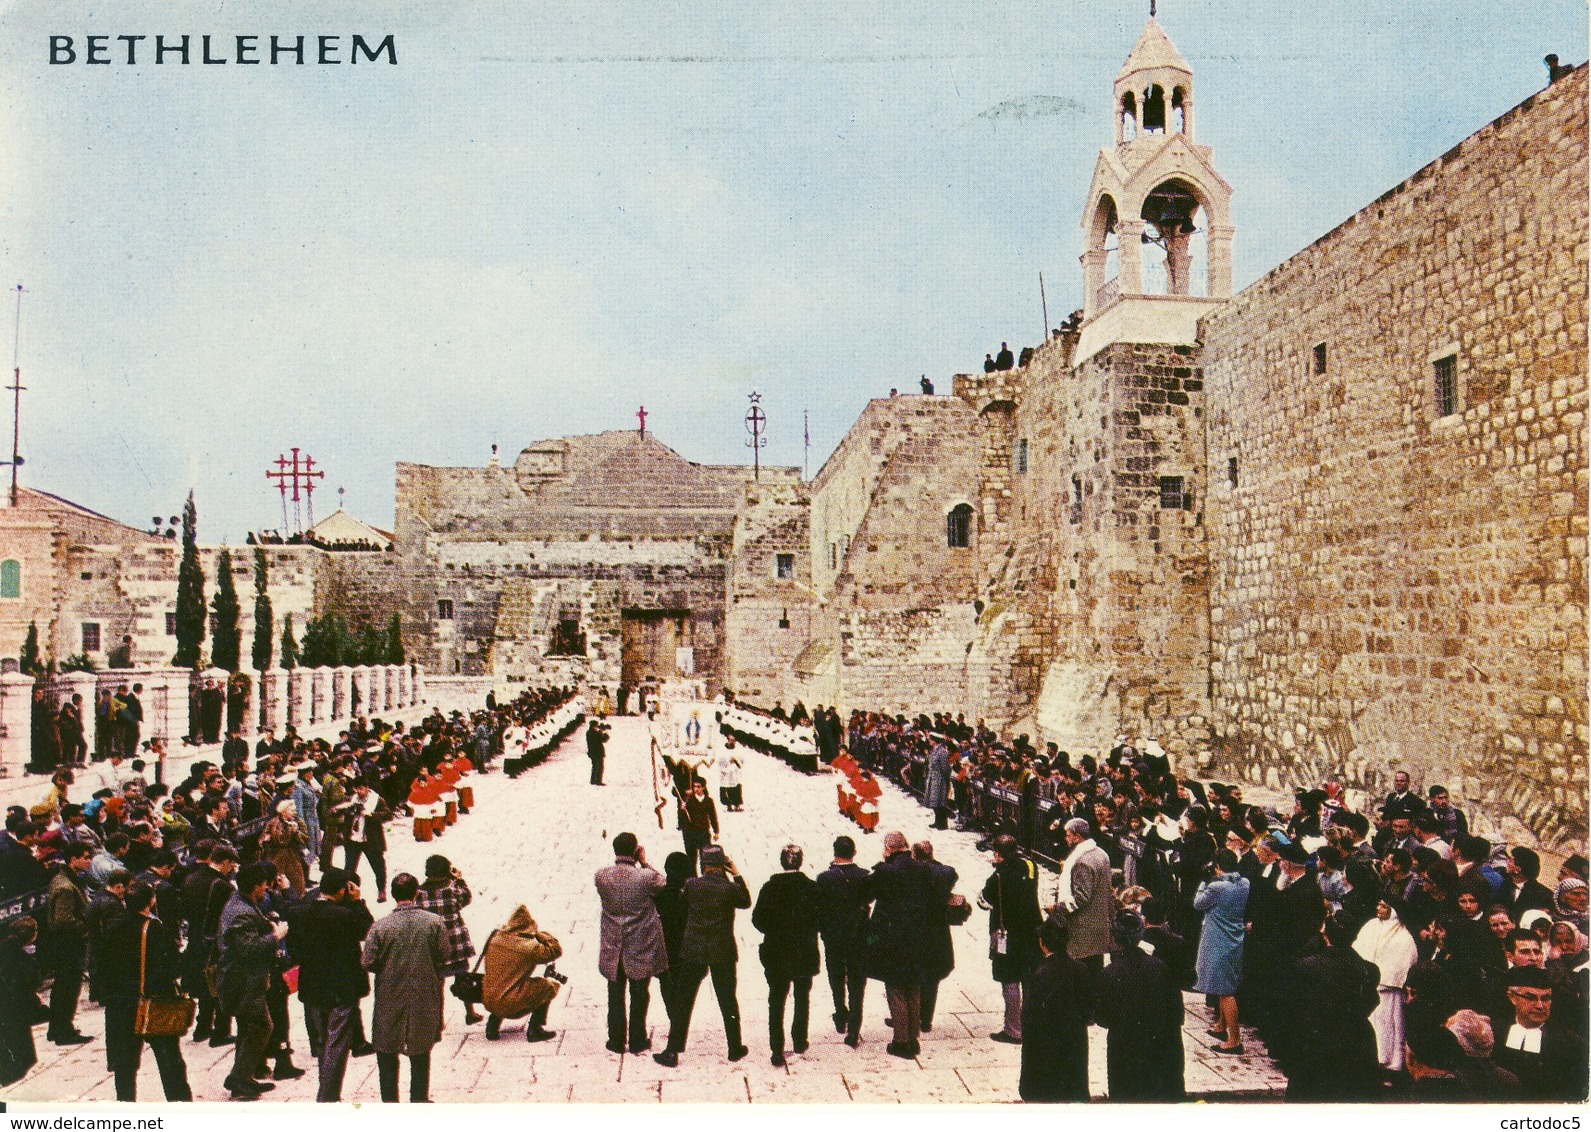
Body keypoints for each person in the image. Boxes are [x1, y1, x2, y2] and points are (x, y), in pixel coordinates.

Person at [654, 845, 751, 1067]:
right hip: (722, 950)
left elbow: (682, 906)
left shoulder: (692, 886)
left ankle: (672, 1051)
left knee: (683, 1001)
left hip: (694, 949)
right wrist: (736, 873)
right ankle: (735, 1047)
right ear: (722, 863)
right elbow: (746, 901)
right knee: (727, 1000)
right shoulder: (729, 888)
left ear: (702, 864)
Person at [286, 867, 375, 1102]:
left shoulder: (299, 913)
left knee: (324, 1040)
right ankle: (328, 1095)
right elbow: (368, 930)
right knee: (337, 1043)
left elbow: (294, 949)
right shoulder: (344, 915)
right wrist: (358, 902)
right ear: (341, 891)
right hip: (341, 987)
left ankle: (326, 1089)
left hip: (313, 984)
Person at [362, 872, 448, 1104]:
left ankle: (390, 1102)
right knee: (421, 1050)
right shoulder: (434, 922)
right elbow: (444, 954)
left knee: (387, 1050)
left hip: (390, 994)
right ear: (416, 893)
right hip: (424, 992)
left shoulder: (380, 927)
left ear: (392, 895)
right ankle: (419, 1100)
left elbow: (368, 961)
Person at [102, 882, 192, 1101]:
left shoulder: (113, 926)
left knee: (124, 1063)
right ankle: (180, 1104)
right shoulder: (154, 928)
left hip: (119, 1003)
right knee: (169, 1058)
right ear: (151, 901)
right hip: (153, 1000)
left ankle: (126, 1105)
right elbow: (172, 966)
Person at [1276, 912, 1381, 1101]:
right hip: (1355, 1044)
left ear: (1325, 934)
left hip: (1316, 1045)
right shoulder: (1368, 970)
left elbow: (1291, 1011)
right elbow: (1371, 1001)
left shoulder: (1306, 967)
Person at [1095, 908, 1185, 1101]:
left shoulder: (1109, 973)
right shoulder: (1160, 967)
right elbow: (1177, 1013)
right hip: (1162, 1051)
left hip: (1126, 1054)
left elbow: (1102, 1018)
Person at [218, 862, 289, 1100]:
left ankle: (242, 1078)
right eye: (264, 886)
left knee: (249, 1027)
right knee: (261, 1026)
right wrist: (275, 936)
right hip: (243, 981)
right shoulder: (241, 912)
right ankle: (239, 1077)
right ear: (255, 886)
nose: (266, 891)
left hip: (247, 979)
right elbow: (248, 949)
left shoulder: (244, 903)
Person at [864, 831, 936, 1058]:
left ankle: (901, 1041)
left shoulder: (885, 872)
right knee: (914, 987)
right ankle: (913, 1037)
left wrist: (870, 939)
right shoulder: (924, 869)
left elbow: (866, 894)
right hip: (919, 938)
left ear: (889, 849)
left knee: (895, 988)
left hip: (892, 939)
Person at [596, 831, 668, 1054]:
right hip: (640, 944)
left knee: (615, 994)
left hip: (613, 946)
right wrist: (644, 862)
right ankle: (638, 1039)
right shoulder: (645, 877)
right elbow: (664, 884)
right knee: (640, 993)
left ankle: (616, 1040)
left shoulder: (601, 876)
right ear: (635, 851)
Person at [752, 843, 821, 1066]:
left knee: (777, 1000)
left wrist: (774, 930)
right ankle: (799, 1040)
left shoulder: (770, 888)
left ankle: (777, 1048)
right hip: (804, 950)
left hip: (777, 950)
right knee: (802, 998)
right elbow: (820, 918)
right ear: (801, 862)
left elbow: (757, 920)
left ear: (782, 862)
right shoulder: (812, 888)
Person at [1489, 965, 1589, 1101]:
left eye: (1546, 998)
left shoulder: (1570, 1043)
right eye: (1530, 998)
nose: (1540, 1005)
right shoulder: (1494, 1032)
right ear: (1512, 997)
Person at [1019, 918, 1091, 1102]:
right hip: (1074, 1045)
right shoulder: (1081, 969)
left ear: (1042, 943)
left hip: (1047, 1050)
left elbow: (1029, 1017)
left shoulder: (1040, 973)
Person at [982, 833, 1041, 1044]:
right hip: (1032, 930)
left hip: (1006, 933)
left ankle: (1014, 1029)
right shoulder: (1030, 865)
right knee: (1029, 977)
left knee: (1009, 979)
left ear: (998, 854)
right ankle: (1032, 1025)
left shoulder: (997, 877)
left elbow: (983, 901)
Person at [815, 835, 871, 1045]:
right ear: (854, 853)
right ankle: (854, 1030)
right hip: (860, 938)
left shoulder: (824, 878)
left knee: (836, 976)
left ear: (834, 853)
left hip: (833, 938)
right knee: (857, 984)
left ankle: (840, 1014)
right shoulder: (865, 876)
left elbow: (819, 908)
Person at [412, 854, 480, 1026]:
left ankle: (439, 1020)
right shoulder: (452, 888)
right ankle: (470, 1012)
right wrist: (459, 879)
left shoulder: (418, 892)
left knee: (437, 983)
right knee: (463, 977)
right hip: (456, 942)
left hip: (434, 944)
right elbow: (466, 899)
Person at [1354, 898, 1420, 1073]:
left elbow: (1403, 960)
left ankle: (1390, 1063)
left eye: (1384, 906)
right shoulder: (1370, 926)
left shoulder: (1403, 936)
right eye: (1378, 905)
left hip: (1390, 991)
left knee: (1391, 1027)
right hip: (1368, 987)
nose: (1379, 908)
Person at [1193, 849, 1250, 1052]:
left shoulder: (1217, 886)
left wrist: (1203, 883)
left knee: (1225, 991)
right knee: (1223, 983)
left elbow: (1198, 904)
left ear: (1217, 867)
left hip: (1217, 938)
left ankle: (1234, 1039)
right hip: (1234, 937)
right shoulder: (1245, 883)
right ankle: (1221, 1026)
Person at [482, 905, 561, 1043]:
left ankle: (492, 1027)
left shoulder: (495, 939)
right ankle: (535, 1030)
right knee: (548, 986)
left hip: (488, 999)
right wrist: (538, 933)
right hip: (510, 1003)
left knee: (502, 982)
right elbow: (556, 950)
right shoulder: (529, 947)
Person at [43, 842, 94, 1046]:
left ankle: (58, 1028)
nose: (89, 861)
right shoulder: (65, 886)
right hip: (68, 945)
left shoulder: (65, 879)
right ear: (73, 860)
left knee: (63, 987)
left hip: (64, 944)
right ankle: (63, 1030)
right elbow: (64, 920)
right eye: (86, 857)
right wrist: (86, 927)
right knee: (68, 987)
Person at [913, 839, 957, 1031]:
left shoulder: (913, 874)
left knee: (914, 976)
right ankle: (926, 1019)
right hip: (938, 932)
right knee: (932, 978)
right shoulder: (945, 873)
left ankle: (911, 1016)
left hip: (916, 931)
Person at [1056, 817, 1112, 968]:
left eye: (1068, 835)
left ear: (1077, 836)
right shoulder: (1101, 853)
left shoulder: (1082, 862)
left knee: (1082, 975)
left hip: (1083, 929)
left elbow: (1081, 898)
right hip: (1099, 925)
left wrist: (1058, 908)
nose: (1066, 838)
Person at [0, 916, 45, 1086]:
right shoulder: (14, 950)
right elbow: (28, 978)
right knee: (18, 1042)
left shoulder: (10, 947)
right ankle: (9, 1073)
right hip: (10, 1003)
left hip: (10, 1002)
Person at [341, 780, 391, 903]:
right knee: (349, 868)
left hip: (371, 840)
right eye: (356, 789)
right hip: (353, 838)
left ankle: (381, 890)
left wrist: (370, 814)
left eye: (361, 789)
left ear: (367, 788)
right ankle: (348, 892)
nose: (358, 792)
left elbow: (388, 814)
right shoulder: (352, 799)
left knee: (378, 866)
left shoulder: (376, 800)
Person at [262, 798, 310, 895]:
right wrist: (266, 838)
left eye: (295, 810)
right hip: (275, 857)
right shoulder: (273, 822)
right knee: (275, 882)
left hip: (292, 857)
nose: (294, 813)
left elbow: (306, 839)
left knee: (296, 883)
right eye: (292, 810)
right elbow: (264, 836)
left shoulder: (298, 823)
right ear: (284, 811)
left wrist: (296, 832)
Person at [677, 777, 719, 874]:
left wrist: (716, 831)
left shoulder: (708, 801)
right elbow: (683, 819)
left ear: (703, 787)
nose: (696, 789)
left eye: (698, 786)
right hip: (690, 834)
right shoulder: (688, 800)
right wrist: (682, 810)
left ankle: (706, 878)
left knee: (706, 857)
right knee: (691, 859)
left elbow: (713, 816)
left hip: (703, 832)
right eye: (694, 786)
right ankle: (693, 881)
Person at [923, 738, 951, 830]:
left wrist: (945, 780)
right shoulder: (935, 750)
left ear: (935, 740)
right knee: (934, 802)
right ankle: (937, 821)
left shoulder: (942, 752)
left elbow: (945, 768)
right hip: (933, 778)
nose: (929, 741)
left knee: (940, 802)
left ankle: (942, 824)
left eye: (931, 739)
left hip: (940, 780)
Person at [586, 718, 609, 786]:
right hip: (596, 752)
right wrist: (602, 733)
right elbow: (601, 740)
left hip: (594, 752)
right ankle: (597, 780)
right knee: (599, 766)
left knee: (596, 766)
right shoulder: (593, 733)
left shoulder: (590, 732)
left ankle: (594, 780)